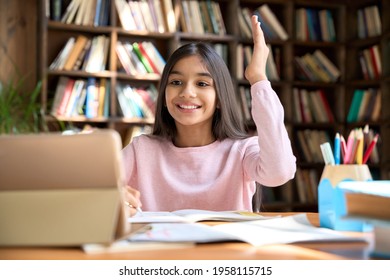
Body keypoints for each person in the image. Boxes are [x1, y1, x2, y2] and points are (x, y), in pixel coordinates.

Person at [122, 15, 296, 212]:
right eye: (176, 82)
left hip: (228, 243)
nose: (187, 92)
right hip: (164, 243)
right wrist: (113, 197)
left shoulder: (241, 150)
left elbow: (280, 172)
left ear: (220, 98)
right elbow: (91, 187)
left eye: (202, 84)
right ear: (163, 94)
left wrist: (258, 78)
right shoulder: (142, 149)